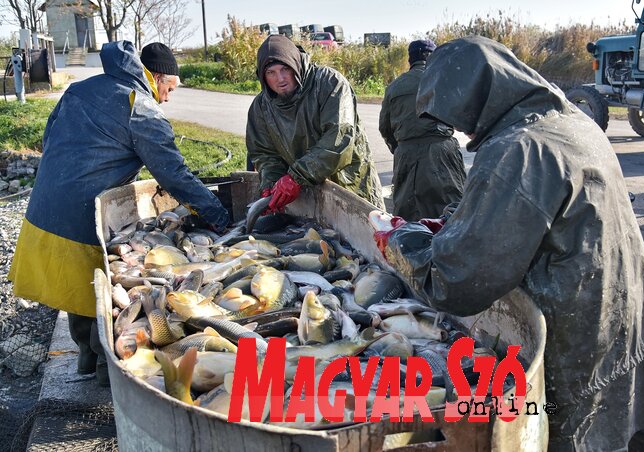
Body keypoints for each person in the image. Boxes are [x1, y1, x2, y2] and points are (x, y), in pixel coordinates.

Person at [374, 36, 644, 451]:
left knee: (579, 437)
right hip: (628, 313)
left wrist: (399, 239)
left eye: (462, 116)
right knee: (623, 426)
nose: (463, 129)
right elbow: (534, 209)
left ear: (481, 99)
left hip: (578, 338)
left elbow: (458, 282)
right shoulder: (569, 119)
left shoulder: (515, 149)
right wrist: (456, 221)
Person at [9, 41, 230, 386]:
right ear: (156, 78)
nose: (168, 99)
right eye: (169, 89)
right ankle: (109, 380)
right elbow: (174, 175)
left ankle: (86, 359)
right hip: (80, 218)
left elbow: (51, 136)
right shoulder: (140, 109)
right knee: (99, 302)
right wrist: (218, 214)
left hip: (44, 206)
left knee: (80, 294)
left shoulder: (81, 88)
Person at [246, 35, 384, 211]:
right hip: (307, 194)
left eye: (285, 69)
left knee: (370, 234)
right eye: (271, 73)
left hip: (349, 184)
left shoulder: (330, 83)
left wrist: (296, 177)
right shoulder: (261, 106)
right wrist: (271, 183)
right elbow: (265, 154)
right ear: (262, 76)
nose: (280, 79)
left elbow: (338, 140)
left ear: (295, 64)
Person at [379, 39, 466, 220]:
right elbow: (463, 118)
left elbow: (385, 128)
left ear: (411, 59)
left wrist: (402, 148)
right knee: (451, 211)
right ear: (433, 58)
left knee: (407, 214)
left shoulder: (394, 86)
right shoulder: (443, 79)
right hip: (442, 151)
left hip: (406, 153)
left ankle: (409, 246)